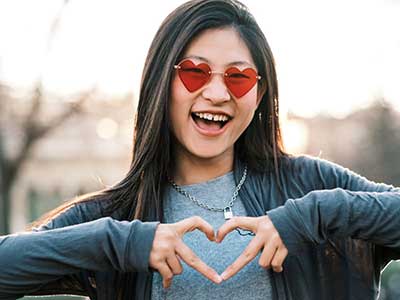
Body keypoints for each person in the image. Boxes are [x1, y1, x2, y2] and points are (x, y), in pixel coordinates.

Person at [1, 0, 399, 299]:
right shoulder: (120, 216)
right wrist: (122, 243)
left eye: (239, 78)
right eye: (194, 72)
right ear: (162, 83)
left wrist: (314, 215)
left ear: (259, 96)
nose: (217, 93)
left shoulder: (306, 185)